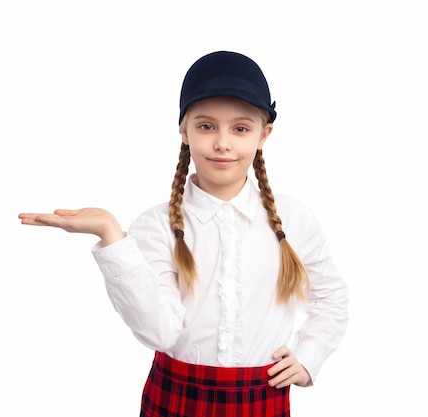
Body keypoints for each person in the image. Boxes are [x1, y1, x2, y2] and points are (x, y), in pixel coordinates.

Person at [18, 51, 348, 417]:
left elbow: (332, 297)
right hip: (175, 398)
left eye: (240, 128)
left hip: (261, 399)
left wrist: (309, 356)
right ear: (184, 130)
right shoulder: (155, 225)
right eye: (207, 126)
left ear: (263, 134)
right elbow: (159, 332)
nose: (223, 143)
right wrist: (112, 235)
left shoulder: (295, 219)